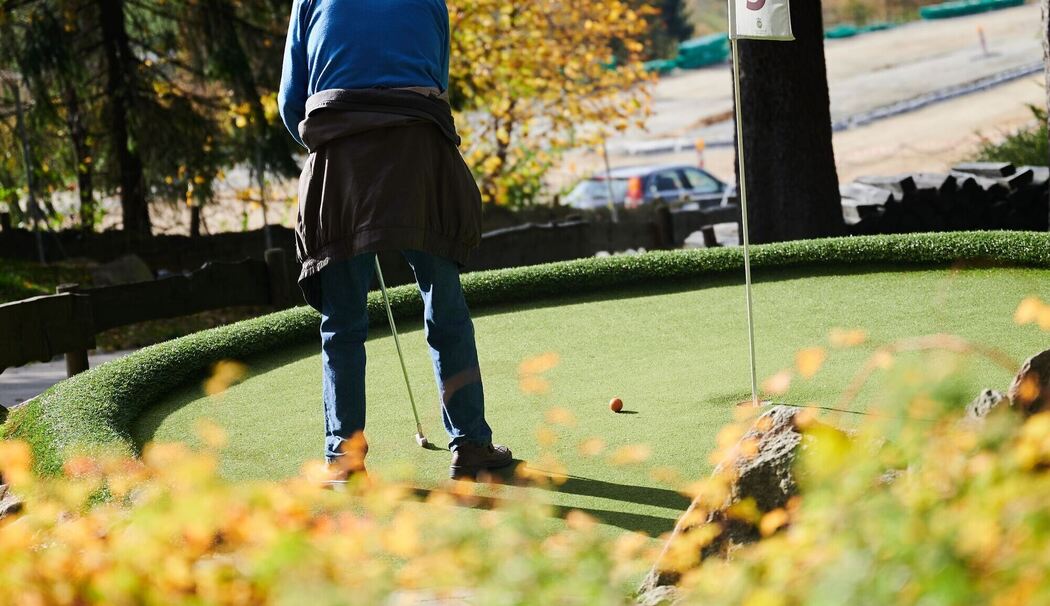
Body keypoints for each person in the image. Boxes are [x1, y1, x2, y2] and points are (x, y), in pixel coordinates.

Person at [278, 0, 512, 481]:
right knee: (444, 304)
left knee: (342, 321)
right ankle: (470, 444)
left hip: (342, 159)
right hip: (420, 154)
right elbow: (437, 83)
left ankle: (343, 458)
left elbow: (290, 102)